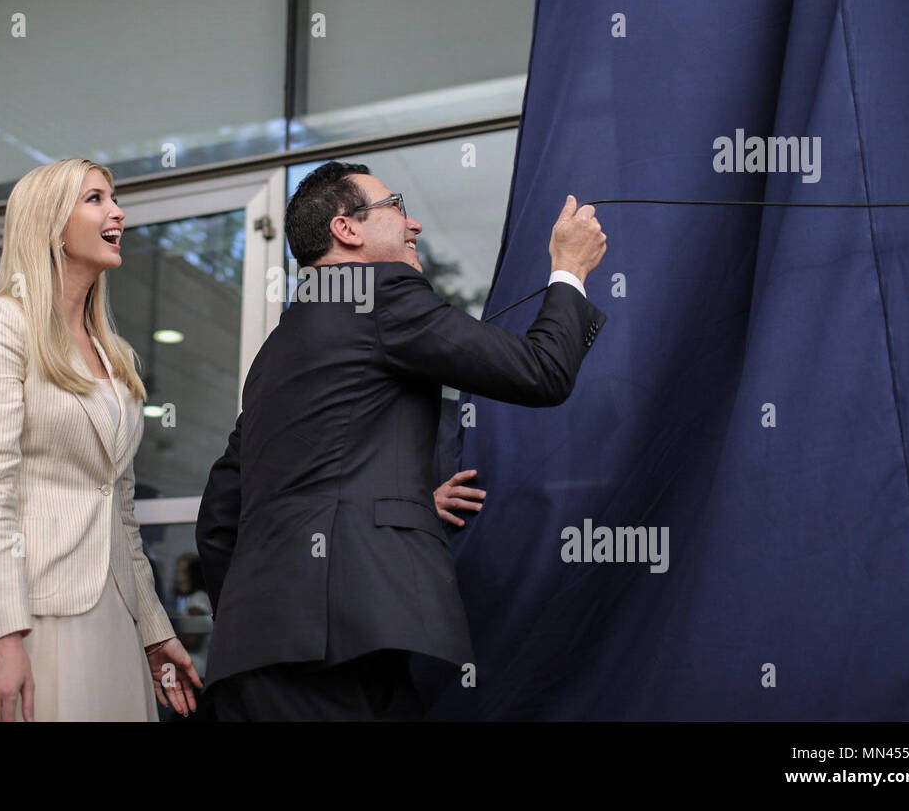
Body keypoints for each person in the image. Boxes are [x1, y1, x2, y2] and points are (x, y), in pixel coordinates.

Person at [197, 161, 608, 721]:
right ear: (347, 229)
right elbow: (541, 372)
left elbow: (222, 512)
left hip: (259, 651)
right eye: (396, 207)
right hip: (341, 638)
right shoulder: (381, 295)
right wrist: (570, 271)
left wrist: (391, 509)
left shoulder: (275, 353)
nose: (413, 225)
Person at [0, 158, 201, 722]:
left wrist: (153, 630)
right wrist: (2, 637)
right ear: (50, 222)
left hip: (110, 622)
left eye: (113, 199)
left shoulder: (115, 355)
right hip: (24, 616)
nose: (117, 211)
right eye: (95, 199)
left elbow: (120, 511)